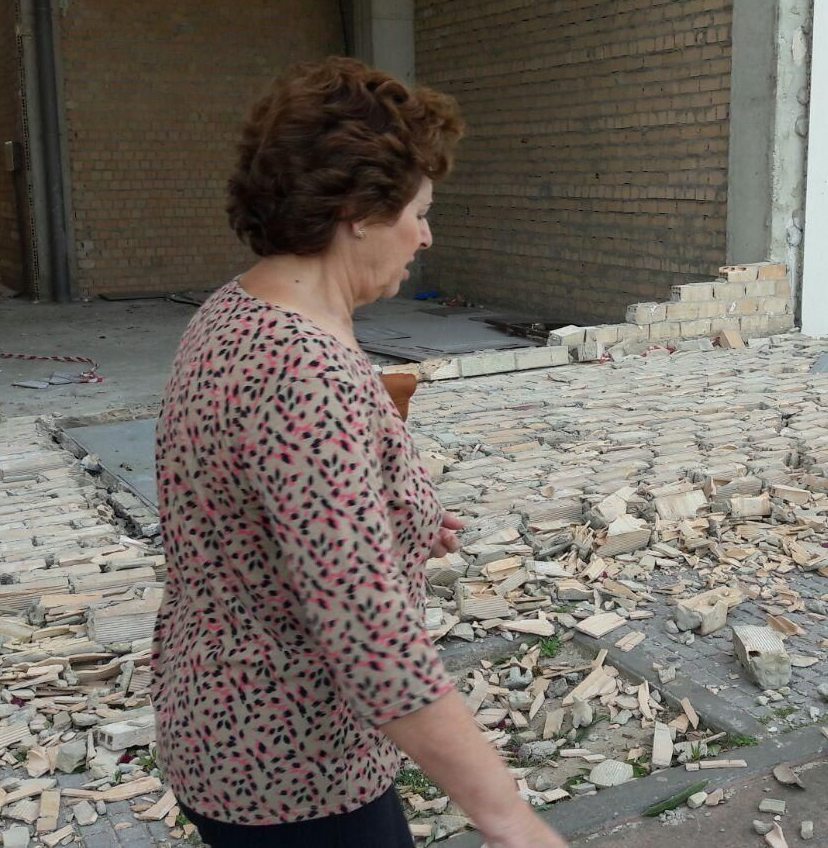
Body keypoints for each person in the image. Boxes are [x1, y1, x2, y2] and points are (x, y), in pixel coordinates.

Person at [150, 57, 566, 848]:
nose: (427, 235)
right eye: (419, 211)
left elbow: (280, 509)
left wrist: (403, 520)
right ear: (359, 212)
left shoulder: (238, 307)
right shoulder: (304, 368)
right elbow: (375, 642)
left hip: (221, 722)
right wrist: (511, 820)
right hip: (290, 766)